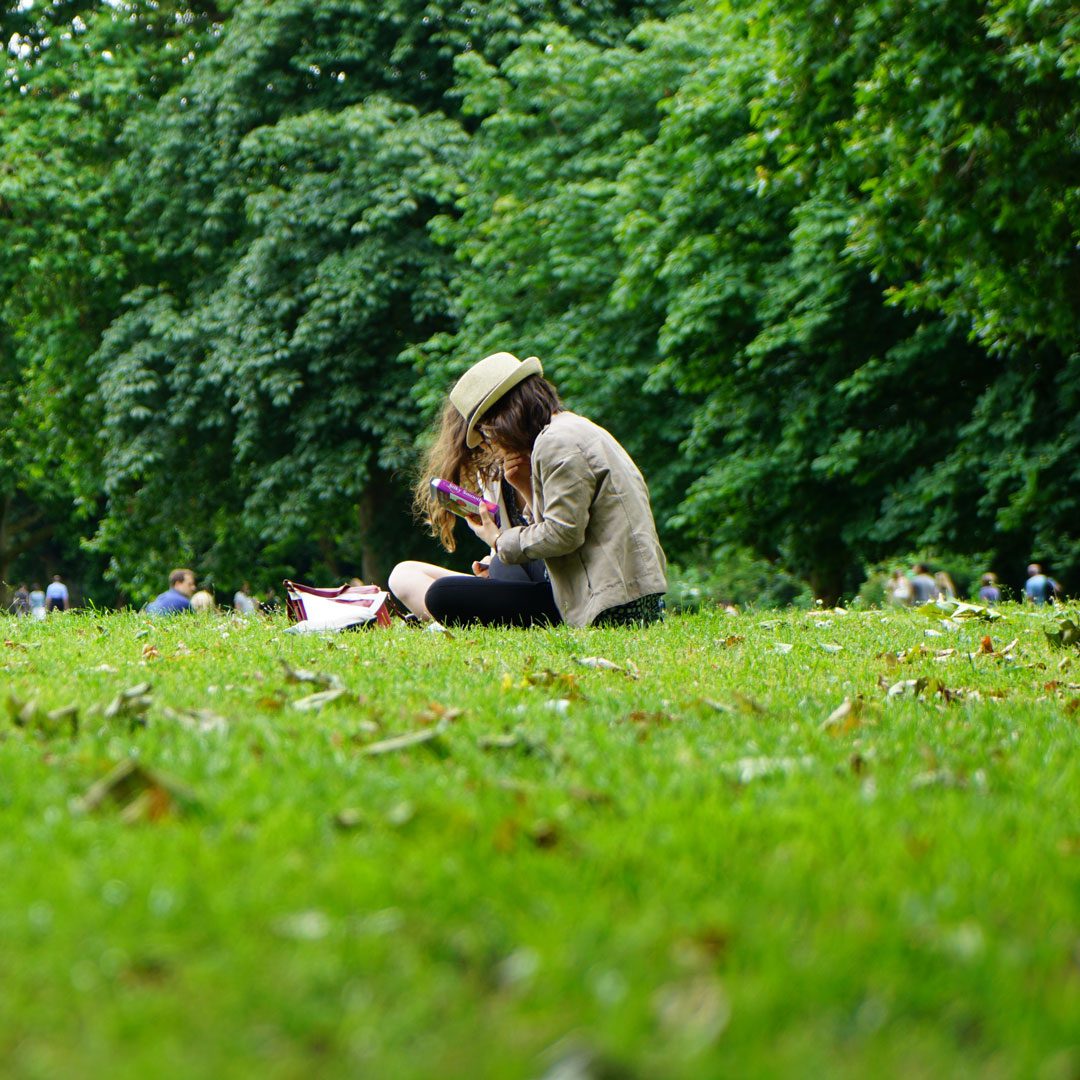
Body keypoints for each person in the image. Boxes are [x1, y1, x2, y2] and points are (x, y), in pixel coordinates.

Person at [390, 351, 667, 628]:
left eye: (488, 431)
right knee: (497, 567)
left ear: (506, 414)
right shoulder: (568, 430)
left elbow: (563, 535)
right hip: (612, 594)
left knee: (442, 595)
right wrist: (523, 485)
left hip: (611, 604)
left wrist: (498, 541)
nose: (492, 441)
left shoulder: (556, 442)